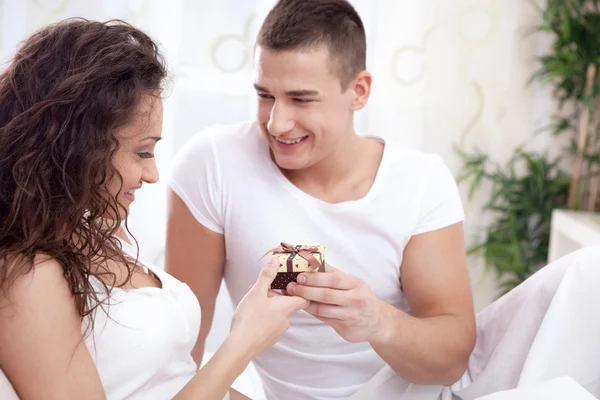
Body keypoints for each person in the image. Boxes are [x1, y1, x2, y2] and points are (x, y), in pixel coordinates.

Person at [165, 0, 476, 399]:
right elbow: (183, 345)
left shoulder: (420, 183)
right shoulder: (213, 164)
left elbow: (452, 361)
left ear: (359, 91)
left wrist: (378, 321)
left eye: (301, 99)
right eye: (265, 95)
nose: (277, 123)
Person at [0, 18, 310, 400]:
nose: (152, 174)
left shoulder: (94, 234)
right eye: (142, 151)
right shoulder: (28, 276)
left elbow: (170, 380)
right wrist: (243, 342)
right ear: (78, 147)